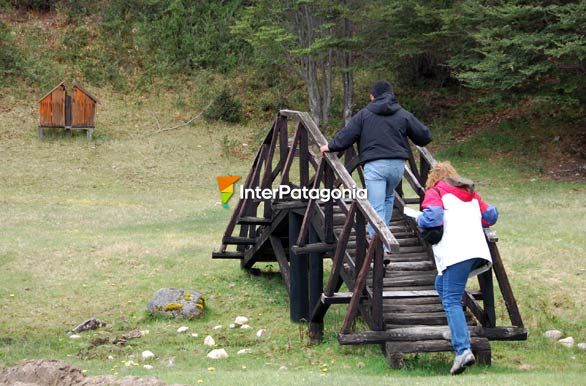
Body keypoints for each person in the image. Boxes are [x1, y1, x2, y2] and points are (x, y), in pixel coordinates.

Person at [320, 80, 432, 250]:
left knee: (375, 206)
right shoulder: (402, 113)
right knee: (387, 199)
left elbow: (347, 135)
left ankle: (377, 248)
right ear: (391, 94)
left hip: (375, 166)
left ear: (372, 96)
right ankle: (384, 242)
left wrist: (330, 146)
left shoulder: (364, 114)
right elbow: (424, 136)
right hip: (397, 166)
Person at [417, 161, 499, 375]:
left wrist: (420, 218)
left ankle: (462, 350)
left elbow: (433, 218)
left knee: (451, 299)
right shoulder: (470, 194)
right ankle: (457, 332)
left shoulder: (436, 192)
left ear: (433, 179)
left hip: (456, 252)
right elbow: (491, 216)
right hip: (477, 251)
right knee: (441, 284)